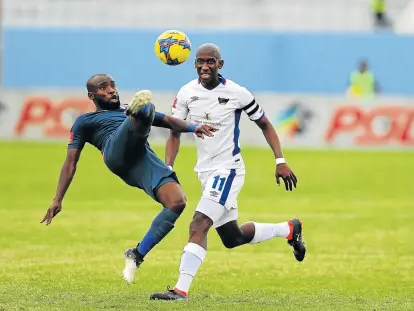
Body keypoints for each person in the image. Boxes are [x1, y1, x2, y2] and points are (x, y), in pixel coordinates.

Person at [150, 44, 305, 301]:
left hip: (228, 170)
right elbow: (174, 132)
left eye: (210, 61)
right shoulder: (187, 93)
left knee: (198, 224)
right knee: (232, 237)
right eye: (200, 62)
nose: (205, 66)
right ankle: (288, 229)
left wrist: (280, 160)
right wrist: (168, 168)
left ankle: (180, 290)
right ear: (194, 64)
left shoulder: (237, 93)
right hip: (206, 171)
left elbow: (265, 123)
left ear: (220, 64)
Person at [40, 74, 216, 284]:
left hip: (141, 158)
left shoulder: (128, 109)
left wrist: (193, 127)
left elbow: (167, 120)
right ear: (92, 95)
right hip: (115, 151)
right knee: (146, 109)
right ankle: (138, 113)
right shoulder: (84, 121)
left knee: (177, 202)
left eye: (112, 85)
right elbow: (70, 161)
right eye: (104, 87)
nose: (111, 90)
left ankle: (137, 254)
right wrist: (58, 198)